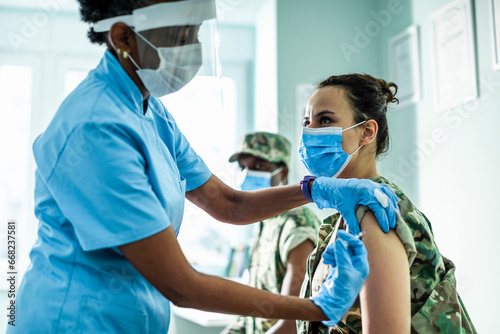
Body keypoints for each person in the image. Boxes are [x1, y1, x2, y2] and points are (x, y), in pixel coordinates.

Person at [9, 1, 400, 332]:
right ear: (124, 37)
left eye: (195, 33)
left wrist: (313, 190)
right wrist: (314, 309)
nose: (191, 47)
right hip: (75, 320)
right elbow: (183, 286)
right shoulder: (96, 128)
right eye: (180, 36)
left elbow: (228, 204)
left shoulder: (150, 111)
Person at [296, 74, 477, 333]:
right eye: (307, 122)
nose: (310, 132)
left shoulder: (378, 211)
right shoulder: (346, 213)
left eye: (325, 120)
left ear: (367, 132)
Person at [223, 132, 321, 334]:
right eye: (242, 167)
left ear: (282, 173)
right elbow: (251, 314)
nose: (247, 174)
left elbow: (291, 324)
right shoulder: (263, 222)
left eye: (258, 167)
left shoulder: (297, 222)